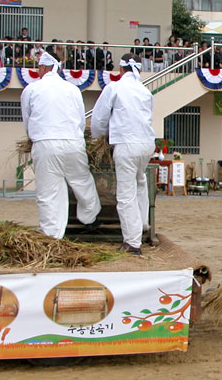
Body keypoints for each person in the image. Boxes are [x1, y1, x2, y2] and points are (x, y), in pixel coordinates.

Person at [21, 52, 102, 239]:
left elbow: (27, 120)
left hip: (45, 144)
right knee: (82, 181)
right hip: (72, 142)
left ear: (43, 68)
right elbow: (80, 120)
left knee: (48, 192)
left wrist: (33, 137)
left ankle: (52, 235)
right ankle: (90, 217)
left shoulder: (31, 89)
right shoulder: (72, 89)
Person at [91, 53, 155, 256]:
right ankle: (143, 224)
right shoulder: (145, 91)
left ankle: (132, 242)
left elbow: (99, 119)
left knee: (126, 193)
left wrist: (99, 137)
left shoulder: (115, 87)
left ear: (120, 69)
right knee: (140, 181)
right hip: (146, 144)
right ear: (139, 69)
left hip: (127, 144)